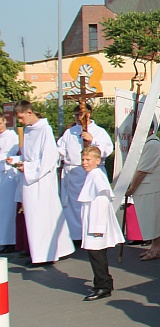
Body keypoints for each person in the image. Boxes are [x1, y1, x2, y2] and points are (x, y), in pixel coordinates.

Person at [9, 101, 74, 265]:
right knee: (34, 217)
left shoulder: (45, 130)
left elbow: (49, 159)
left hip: (41, 180)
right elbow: (28, 156)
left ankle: (45, 255)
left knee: (42, 216)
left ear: (30, 112)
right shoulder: (29, 130)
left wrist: (28, 168)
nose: (21, 122)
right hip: (30, 178)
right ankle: (41, 251)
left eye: (22, 118)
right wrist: (17, 160)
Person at [56, 103, 114, 241]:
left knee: (93, 204)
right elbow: (60, 150)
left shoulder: (99, 131)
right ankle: (76, 235)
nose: (77, 118)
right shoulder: (69, 132)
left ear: (88, 114)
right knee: (73, 205)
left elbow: (107, 149)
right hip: (73, 172)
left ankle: (94, 232)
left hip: (92, 172)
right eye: (75, 115)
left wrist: (92, 140)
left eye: (79, 115)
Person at [77, 145, 125, 302]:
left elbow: (103, 202)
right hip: (92, 222)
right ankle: (104, 282)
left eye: (88, 159)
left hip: (96, 224)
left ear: (97, 161)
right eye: (83, 159)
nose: (85, 162)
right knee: (96, 255)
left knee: (97, 255)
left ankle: (102, 287)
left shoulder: (97, 177)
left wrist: (97, 228)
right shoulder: (92, 175)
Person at [125, 121, 160, 261]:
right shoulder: (145, 144)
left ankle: (156, 248)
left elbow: (142, 170)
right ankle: (154, 247)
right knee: (147, 218)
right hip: (146, 187)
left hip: (150, 186)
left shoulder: (152, 144)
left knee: (153, 218)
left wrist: (132, 187)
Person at [0, 116, 19, 251]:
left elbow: (14, 154)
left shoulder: (12, 136)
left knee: (7, 209)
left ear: (4, 121)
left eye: (0, 123)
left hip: (8, 175)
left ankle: (9, 240)